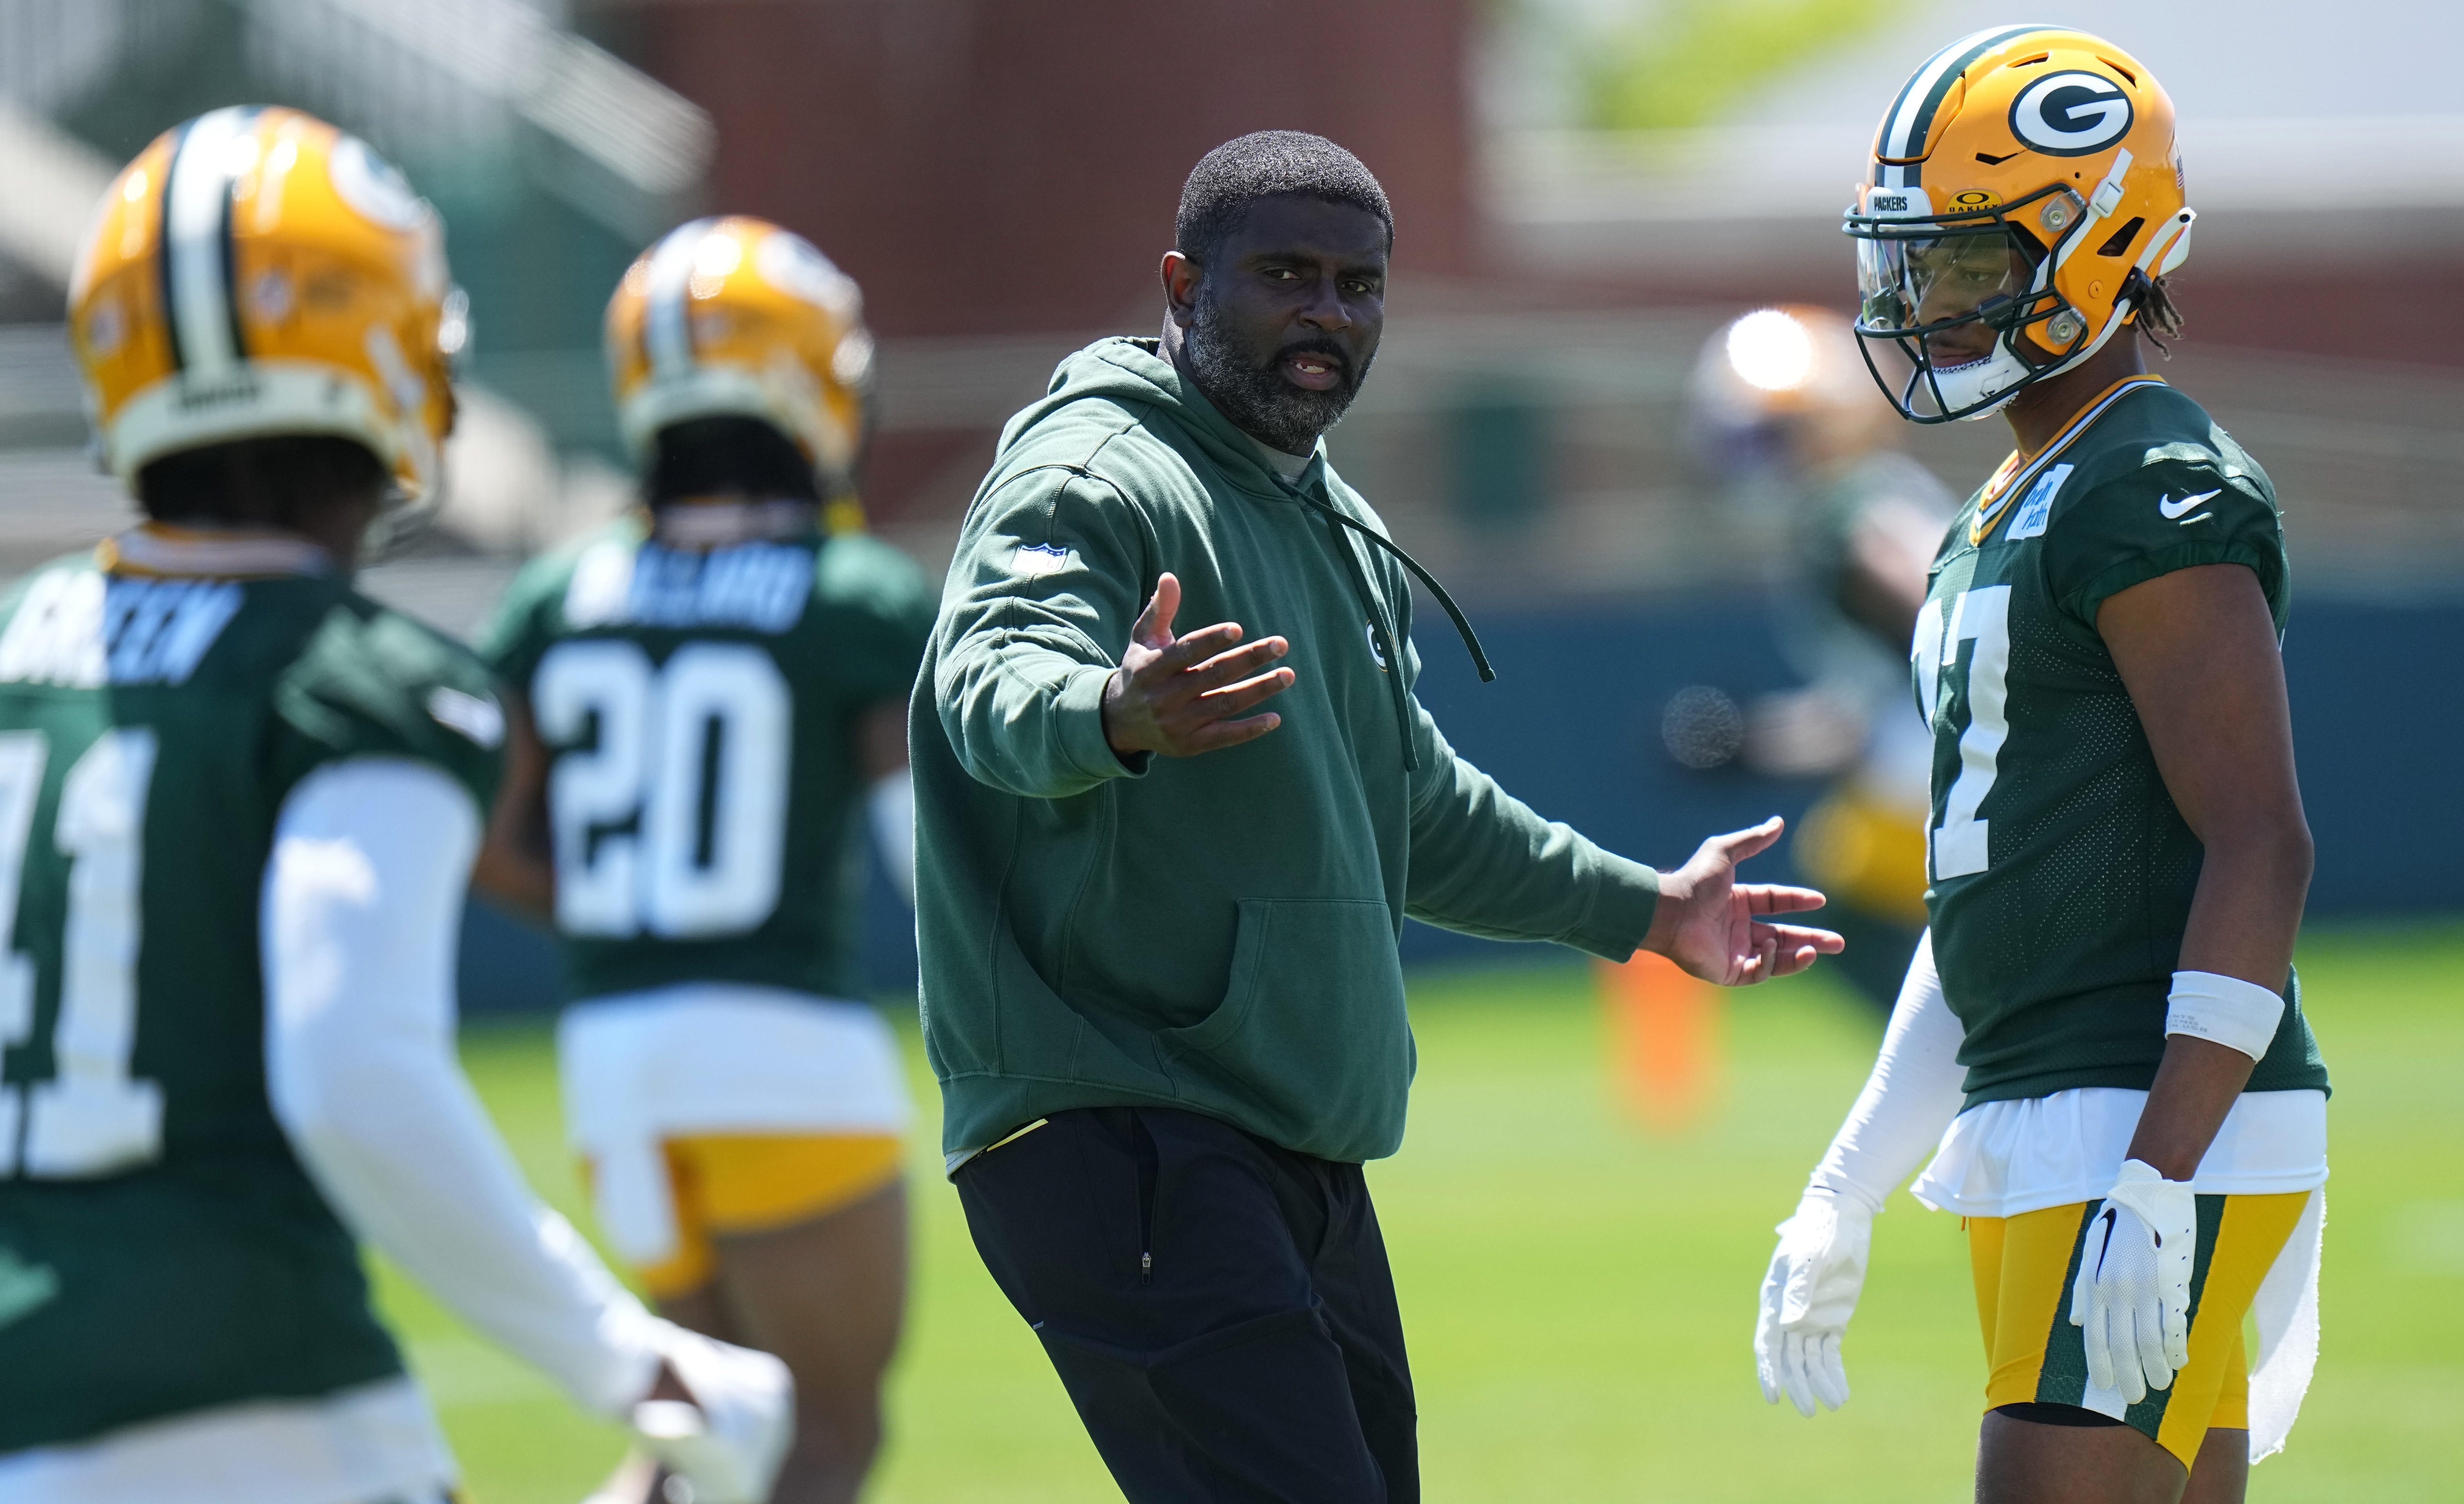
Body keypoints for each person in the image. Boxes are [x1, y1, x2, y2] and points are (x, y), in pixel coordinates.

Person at [913, 129, 1843, 1502]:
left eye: (1357, 286)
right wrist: (1109, 711)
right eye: (1284, 275)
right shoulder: (1094, 473)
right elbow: (987, 682)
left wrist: (1645, 910)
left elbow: (1411, 807)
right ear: (1182, 285)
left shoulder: (1320, 505)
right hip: (1124, 1126)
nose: (1326, 315)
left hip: (1282, 1136)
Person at [0, 108, 789, 1504]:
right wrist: (630, 1364)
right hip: (245, 1387)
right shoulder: (355, 682)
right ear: (387, 348)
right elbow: (351, 1069)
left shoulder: (18, 649)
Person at [1751, 28, 2327, 1504]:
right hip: (2043, 1094)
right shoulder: (2005, 499)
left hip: (2139, 1101)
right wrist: (1847, 1175)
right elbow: (1980, 887)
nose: (1919, 302)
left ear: (2093, 242)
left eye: (1961, 262)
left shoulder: (2147, 479)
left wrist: (2159, 1168)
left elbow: (2259, 841)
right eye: (1912, 261)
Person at [474, 214, 929, 1504]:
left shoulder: (561, 590)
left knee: (704, 1434)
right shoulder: (852, 591)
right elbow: (922, 851)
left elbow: (487, 840)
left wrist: (635, 920)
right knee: (818, 1437)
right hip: (784, 1049)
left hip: (614, 1062)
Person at [1687, 306, 1953, 1011]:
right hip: (1950, 759)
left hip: (1968, 768)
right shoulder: (1857, 497)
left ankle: (1988, 1062)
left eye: (1770, 438)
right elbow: (1864, 717)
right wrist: (1754, 744)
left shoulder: (1849, 509)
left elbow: (1935, 607)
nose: (1754, 464)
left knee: (1832, 895)